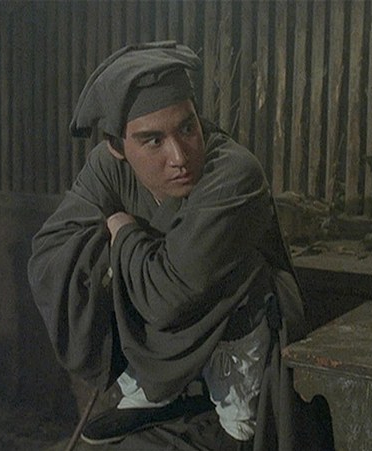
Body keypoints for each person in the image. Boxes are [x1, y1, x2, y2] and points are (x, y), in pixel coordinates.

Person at [27, 41, 311, 450]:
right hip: (164, 345)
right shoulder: (107, 168)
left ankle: (235, 423)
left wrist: (123, 231)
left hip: (243, 351)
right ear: (117, 147)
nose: (179, 156)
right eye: (153, 141)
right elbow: (50, 254)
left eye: (188, 128)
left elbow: (168, 297)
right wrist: (138, 260)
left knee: (237, 271)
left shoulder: (233, 174)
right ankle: (157, 392)